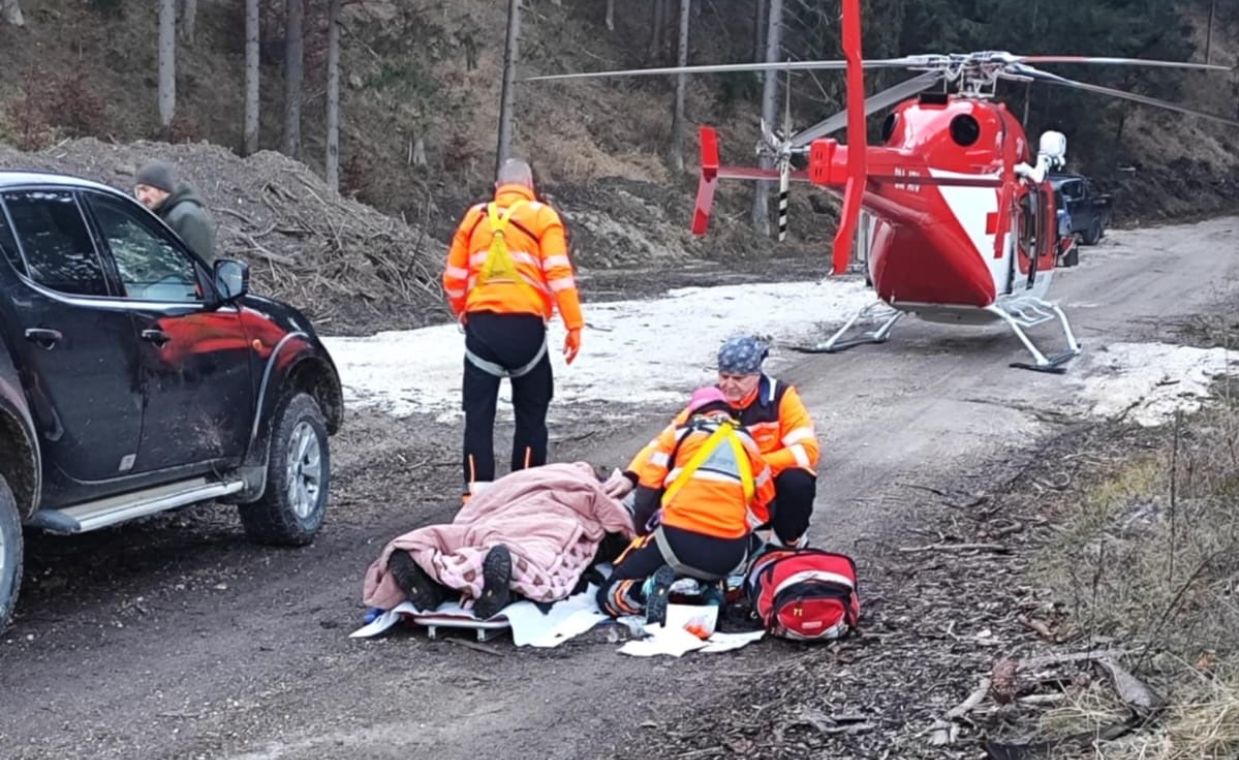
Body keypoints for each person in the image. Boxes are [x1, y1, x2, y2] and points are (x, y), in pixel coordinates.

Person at [443, 158, 584, 503]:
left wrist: (463, 312)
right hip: (527, 331)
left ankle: (476, 494)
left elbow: (453, 278)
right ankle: (525, 492)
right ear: (531, 185)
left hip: (482, 328)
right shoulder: (541, 217)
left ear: (497, 187)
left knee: (478, 415)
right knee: (532, 414)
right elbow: (559, 276)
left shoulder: (475, 217)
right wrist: (573, 325)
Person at [606, 335, 819, 548]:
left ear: (757, 375)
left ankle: (789, 541)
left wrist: (751, 464)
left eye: (738, 378)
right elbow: (665, 444)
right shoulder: (710, 402)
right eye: (724, 376)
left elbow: (806, 451)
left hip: (766, 484)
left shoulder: (781, 397)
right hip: (722, 486)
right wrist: (631, 476)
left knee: (797, 480)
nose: (728, 385)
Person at [598, 387, 774, 624]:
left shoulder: (679, 435)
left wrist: (643, 534)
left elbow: (646, 495)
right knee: (748, 548)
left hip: (677, 544)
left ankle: (648, 592)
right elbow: (767, 505)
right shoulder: (748, 443)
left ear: (693, 413)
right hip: (729, 556)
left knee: (608, 594)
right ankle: (702, 589)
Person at [134, 160, 217, 264]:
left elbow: (196, 266)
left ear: (162, 189)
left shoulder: (187, 217)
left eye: (145, 190)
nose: (141, 197)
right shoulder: (164, 212)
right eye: (138, 191)